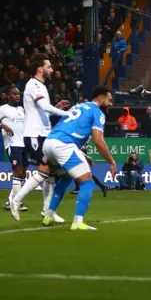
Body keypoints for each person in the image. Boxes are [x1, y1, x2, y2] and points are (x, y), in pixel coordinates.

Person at [39, 85, 116, 230]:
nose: (111, 103)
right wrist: (111, 162)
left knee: (67, 177)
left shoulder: (78, 106)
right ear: (100, 97)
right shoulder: (97, 112)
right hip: (64, 145)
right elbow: (98, 141)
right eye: (109, 99)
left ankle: (48, 215)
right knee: (87, 182)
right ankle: (78, 222)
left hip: (49, 142)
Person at [8, 54, 70, 222]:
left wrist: (56, 108)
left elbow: (42, 109)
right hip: (35, 135)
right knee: (45, 170)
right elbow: (43, 106)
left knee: (50, 174)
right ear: (39, 68)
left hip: (43, 134)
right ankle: (15, 200)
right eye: (49, 66)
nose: (52, 69)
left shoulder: (41, 86)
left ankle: (46, 211)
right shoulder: (34, 85)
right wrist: (66, 114)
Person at [0, 88, 29, 212]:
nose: (18, 96)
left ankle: (10, 201)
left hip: (24, 144)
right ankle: (17, 202)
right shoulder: (2, 109)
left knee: (22, 173)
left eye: (18, 94)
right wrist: (3, 126)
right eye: (14, 94)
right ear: (8, 96)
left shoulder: (21, 109)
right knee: (17, 172)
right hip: (13, 144)